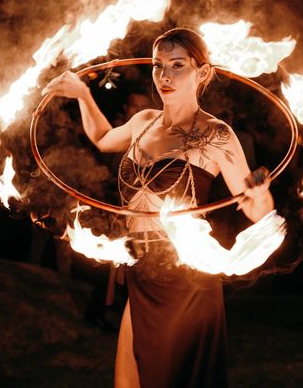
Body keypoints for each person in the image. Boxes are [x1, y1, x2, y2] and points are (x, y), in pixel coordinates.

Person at [42, 28, 274, 388]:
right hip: (141, 270)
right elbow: (103, 139)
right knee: (129, 381)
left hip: (185, 280)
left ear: (202, 72)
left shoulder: (217, 135)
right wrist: (83, 94)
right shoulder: (143, 121)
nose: (164, 76)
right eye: (158, 65)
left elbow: (255, 209)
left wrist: (259, 196)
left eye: (177, 65)